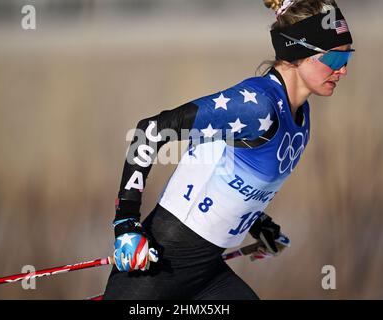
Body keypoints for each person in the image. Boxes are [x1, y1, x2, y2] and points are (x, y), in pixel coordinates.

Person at [103, 0, 354, 300]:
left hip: (207, 271)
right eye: (334, 61)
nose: (343, 71)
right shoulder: (256, 105)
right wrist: (126, 224)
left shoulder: (301, 118)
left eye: (347, 58)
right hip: (160, 265)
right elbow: (151, 130)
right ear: (298, 52)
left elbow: (227, 168)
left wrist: (258, 224)